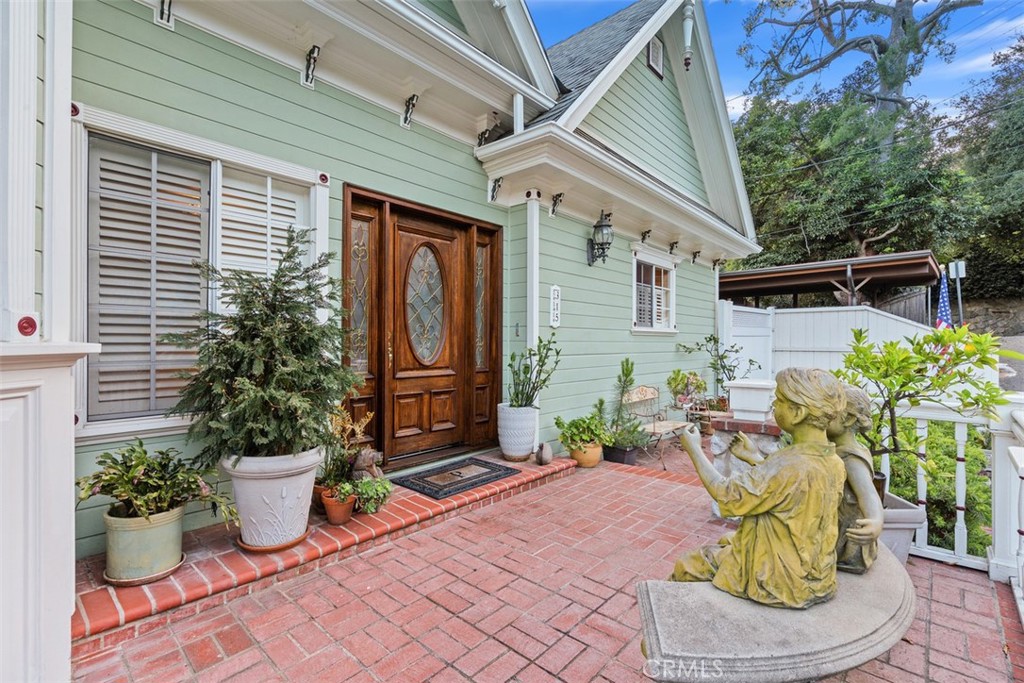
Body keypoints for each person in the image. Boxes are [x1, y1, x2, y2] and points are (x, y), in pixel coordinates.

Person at [671, 368, 847, 609]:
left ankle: (672, 616)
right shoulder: (833, 462)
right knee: (728, 539)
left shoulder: (787, 466)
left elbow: (726, 494)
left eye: (779, 400)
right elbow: (787, 490)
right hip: (814, 574)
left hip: (777, 579)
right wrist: (755, 458)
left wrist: (693, 449)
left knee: (688, 564)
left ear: (798, 413)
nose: (774, 405)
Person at [728, 384, 883, 574]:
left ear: (849, 419)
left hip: (842, 537)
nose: (822, 414)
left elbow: (868, 494)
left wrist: (875, 520)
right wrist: (754, 458)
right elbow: (789, 478)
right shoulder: (828, 450)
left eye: (830, 412)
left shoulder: (850, 458)